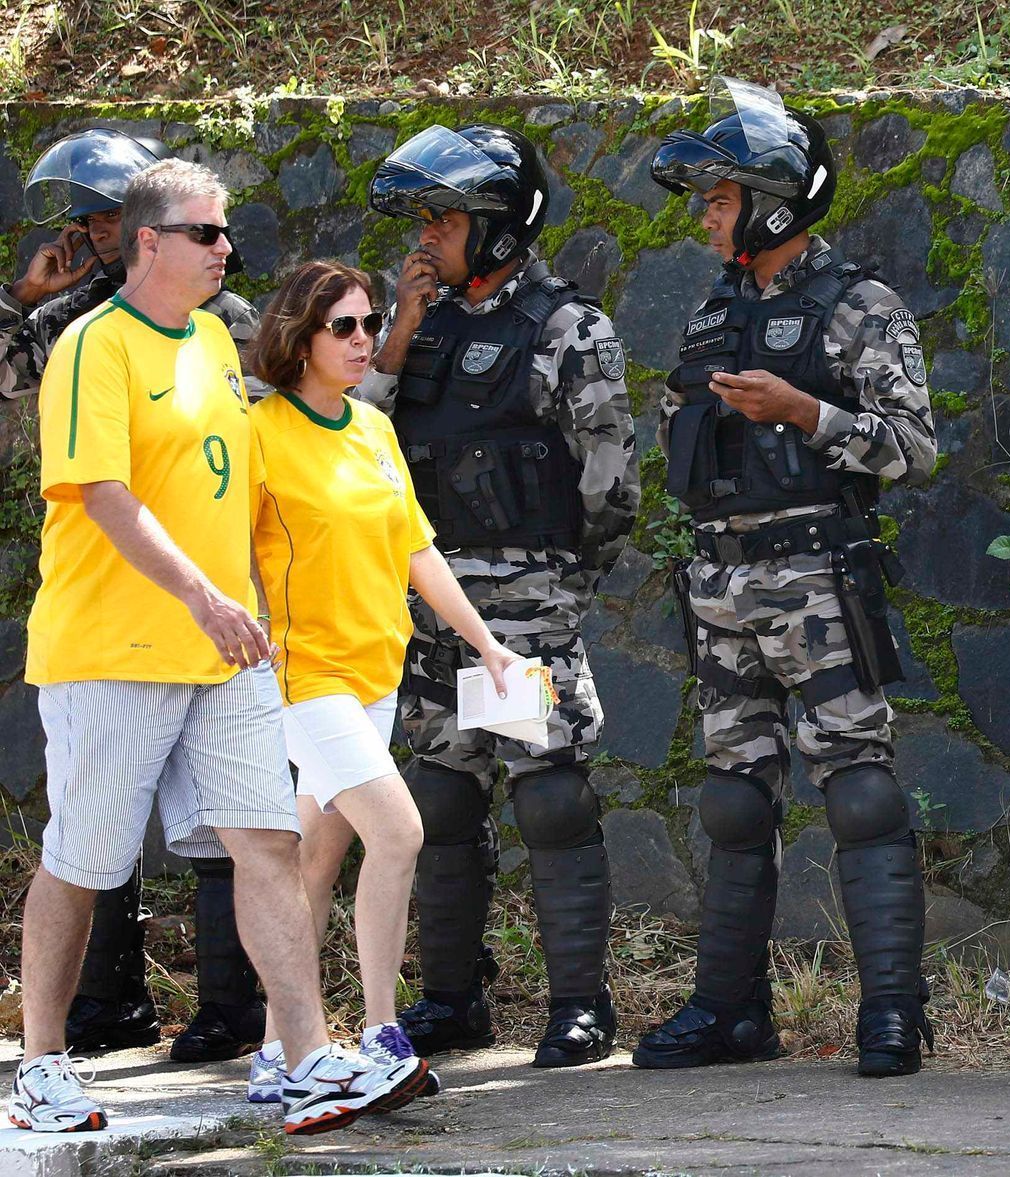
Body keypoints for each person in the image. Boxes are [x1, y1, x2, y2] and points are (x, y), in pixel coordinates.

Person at [10, 158, 428, 1137]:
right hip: (111, 650)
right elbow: (104, 493)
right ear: (147, 241)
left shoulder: (208, 341)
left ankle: (307, 1059)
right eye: (206, 233)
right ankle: (40, 1065)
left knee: (270, 843)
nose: (225, 249)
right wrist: (202, 594)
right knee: (85, 861)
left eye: (227, 232)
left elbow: (257, 499)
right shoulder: (92, 348)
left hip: (225, 655)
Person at [635, 79, 938, 1077]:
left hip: (818, 574)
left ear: (770, 201)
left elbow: (911, 449)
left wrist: (806, 414)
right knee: (733, 799)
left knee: (857, 790)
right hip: (720, 583)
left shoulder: (862, 308)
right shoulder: (712, 312)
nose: (706, 216)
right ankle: (730, 1011)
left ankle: (894, 1014)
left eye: (720, 198)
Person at [358, 123, 637, 1068]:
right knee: (439, 800)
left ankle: (579, 1007)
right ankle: (450, 1000)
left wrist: (552, 588)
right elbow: (356, 441)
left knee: (548, 799)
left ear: (500, 227)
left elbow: (611, 486)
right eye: (425, 218)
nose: (425, 234)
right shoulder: (418, 326)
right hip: (431, 611)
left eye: (444, 219)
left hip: (524, 613)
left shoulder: (566, 329)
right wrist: (398, 326)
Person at [3, 127, 266, 1064]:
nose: (98, 235)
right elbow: (95, 484)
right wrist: (20, 300)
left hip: (218, 631)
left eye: (111, 216)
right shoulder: (80, 333)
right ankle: (62, 1042)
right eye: (93, 221)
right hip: (117, 626)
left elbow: (253, 464)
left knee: (247, 841)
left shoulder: (220, 326)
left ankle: (268, 1032)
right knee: (90, 855)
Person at [239, 260, 522, 1103]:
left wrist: (488, 644)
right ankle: (377, 1031)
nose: (364, 341)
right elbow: (223, 547)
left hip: (373, 671)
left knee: (315, 856)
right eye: (344, 328)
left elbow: (413, 550)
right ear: (299, 336)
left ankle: (276, 1053)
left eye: (369, 324)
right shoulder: (259, 431)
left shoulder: (371, 428)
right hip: (301, 671)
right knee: (398, 831)